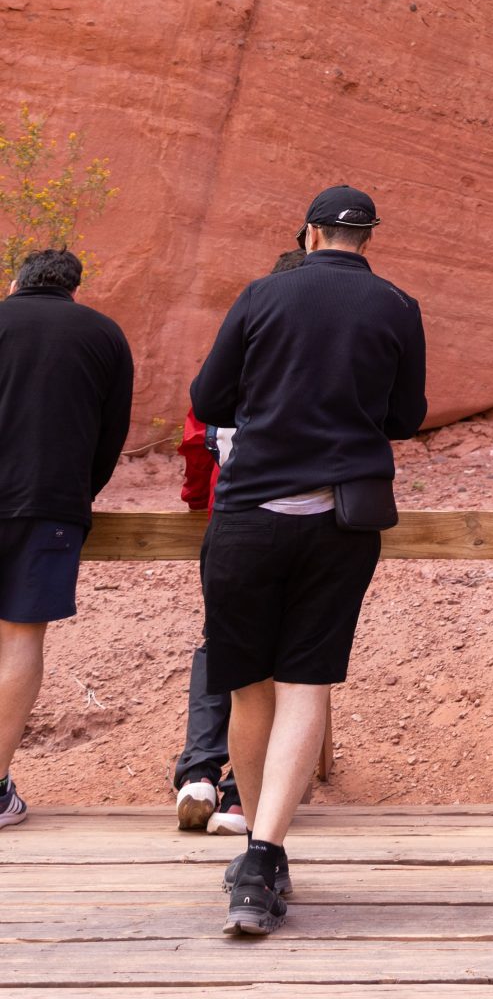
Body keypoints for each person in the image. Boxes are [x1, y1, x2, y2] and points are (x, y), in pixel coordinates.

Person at [189, 187, 426, 935]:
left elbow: (208, 396)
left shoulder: (263, 294)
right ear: (367, 239)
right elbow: (406, 417)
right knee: (305, 684)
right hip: (340, 523)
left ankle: (258, 849)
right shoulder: (397, 306)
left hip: (250, 515)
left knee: (247, 687)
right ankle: (264, 853)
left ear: (311, 232)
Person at [172, 249, 306, 835]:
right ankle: (240, 798)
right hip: (305, 518)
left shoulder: (234, 356)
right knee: (290, 659)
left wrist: (200, 501)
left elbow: (196, 435)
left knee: (221, 645)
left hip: (229, 522)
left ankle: (199, 772)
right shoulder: (312, 361)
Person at [0, 247, 134, 829]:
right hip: (48, 502)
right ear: (74, 289)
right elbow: (112, 432)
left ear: (14, 282)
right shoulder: (103, 335)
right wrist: (81, 492)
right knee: (19, 636)